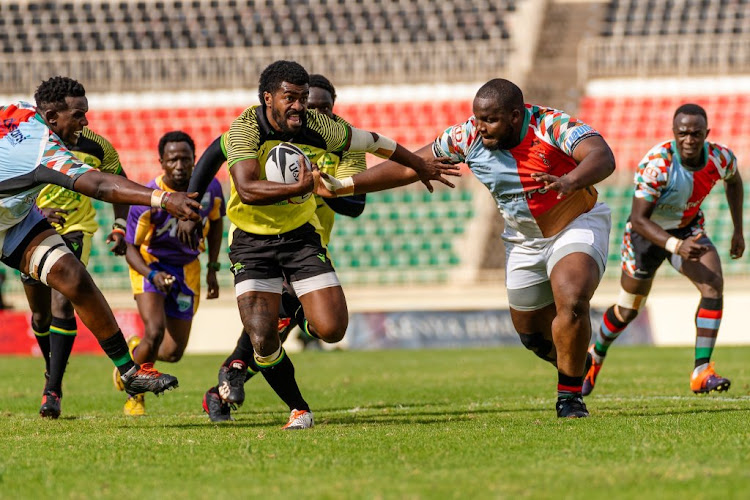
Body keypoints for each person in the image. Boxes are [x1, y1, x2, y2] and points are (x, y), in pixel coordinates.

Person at [184, 60, 457, 429]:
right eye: (295, 99)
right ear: (269, 98)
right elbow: (239, 180)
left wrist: (417, 165)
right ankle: (293, 406)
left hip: (302, 235)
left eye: (311, 101)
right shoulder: (245, 129)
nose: (305, 108)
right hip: (252, 240)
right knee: (263, 334)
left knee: (328, 329)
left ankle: (233, 371)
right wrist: (192, 200)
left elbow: (370, 163)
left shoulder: (326, 131)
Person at [320, 78, 616, 418]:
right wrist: (342, 186)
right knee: (532, 336)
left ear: (516, 117)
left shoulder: (551, 125)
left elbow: (602, 156)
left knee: (573, 296)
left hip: (576, 223)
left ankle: (569, 398)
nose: (481, 127)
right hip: (523, 242)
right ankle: (579, 362)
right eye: (477, 118)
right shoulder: (466, 137)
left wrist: (572, 180)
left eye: (490, 120)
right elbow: (410, 164)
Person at [0, 76, 202, 415]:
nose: (85, 123)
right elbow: (100, 185)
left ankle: (129, 371)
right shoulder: (44, 148)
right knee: (43, 309)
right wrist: (162, 199)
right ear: (51, 117)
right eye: (78, 115)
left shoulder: (19, 110)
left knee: (73, 278)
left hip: (15, 220)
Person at [189, 74, 368, 422]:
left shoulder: (342, 143)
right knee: (269, 329)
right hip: (259, 239)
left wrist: (319, 187)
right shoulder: (265, 132)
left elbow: (356, 204)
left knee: (288, 328)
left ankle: (228, 380)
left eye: (323, 107)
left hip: (308, 241)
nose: (315, 113)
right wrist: (193, 205)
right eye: (309, 106)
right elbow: (216, 151)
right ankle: (234, 381)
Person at [583, 103, 743, 396]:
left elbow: (734, 182)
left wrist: (738, 230)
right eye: (683, 133)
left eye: (696, 133)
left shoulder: (721, 158)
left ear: (706, 133)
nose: (690, 140)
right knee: (628, 310)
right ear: (674, 133)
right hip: (645, 237)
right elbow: (640, 220)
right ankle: (596, 354)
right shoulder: (658, 164)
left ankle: (701, 371)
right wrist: (675, 246)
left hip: (687, 229)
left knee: (713, 285)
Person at [22, 120, 130, 419]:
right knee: (41, 315)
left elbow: (119, 181)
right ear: (57, 114)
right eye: (78, 112)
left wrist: (119, 227)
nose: (84, 119)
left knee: (63, 303)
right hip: (31, 232)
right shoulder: (29, 142)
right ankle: (51, 368)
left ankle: (53, 389)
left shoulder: (98, 146)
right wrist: (35, 213)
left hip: (75, 231)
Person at [114, 131, 225, 416]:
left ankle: (133, 356)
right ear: (161, 161)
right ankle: (134, 393)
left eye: (185, 159)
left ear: (194, 160)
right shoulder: (148, 198)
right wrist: (152, 276)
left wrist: (213, 269)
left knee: (173, 353)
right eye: (173, 159)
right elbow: (129, 247)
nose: (179, 165)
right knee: (154, 331)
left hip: (188, 270)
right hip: (151, 265)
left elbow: (216, 226)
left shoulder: (211, 187)